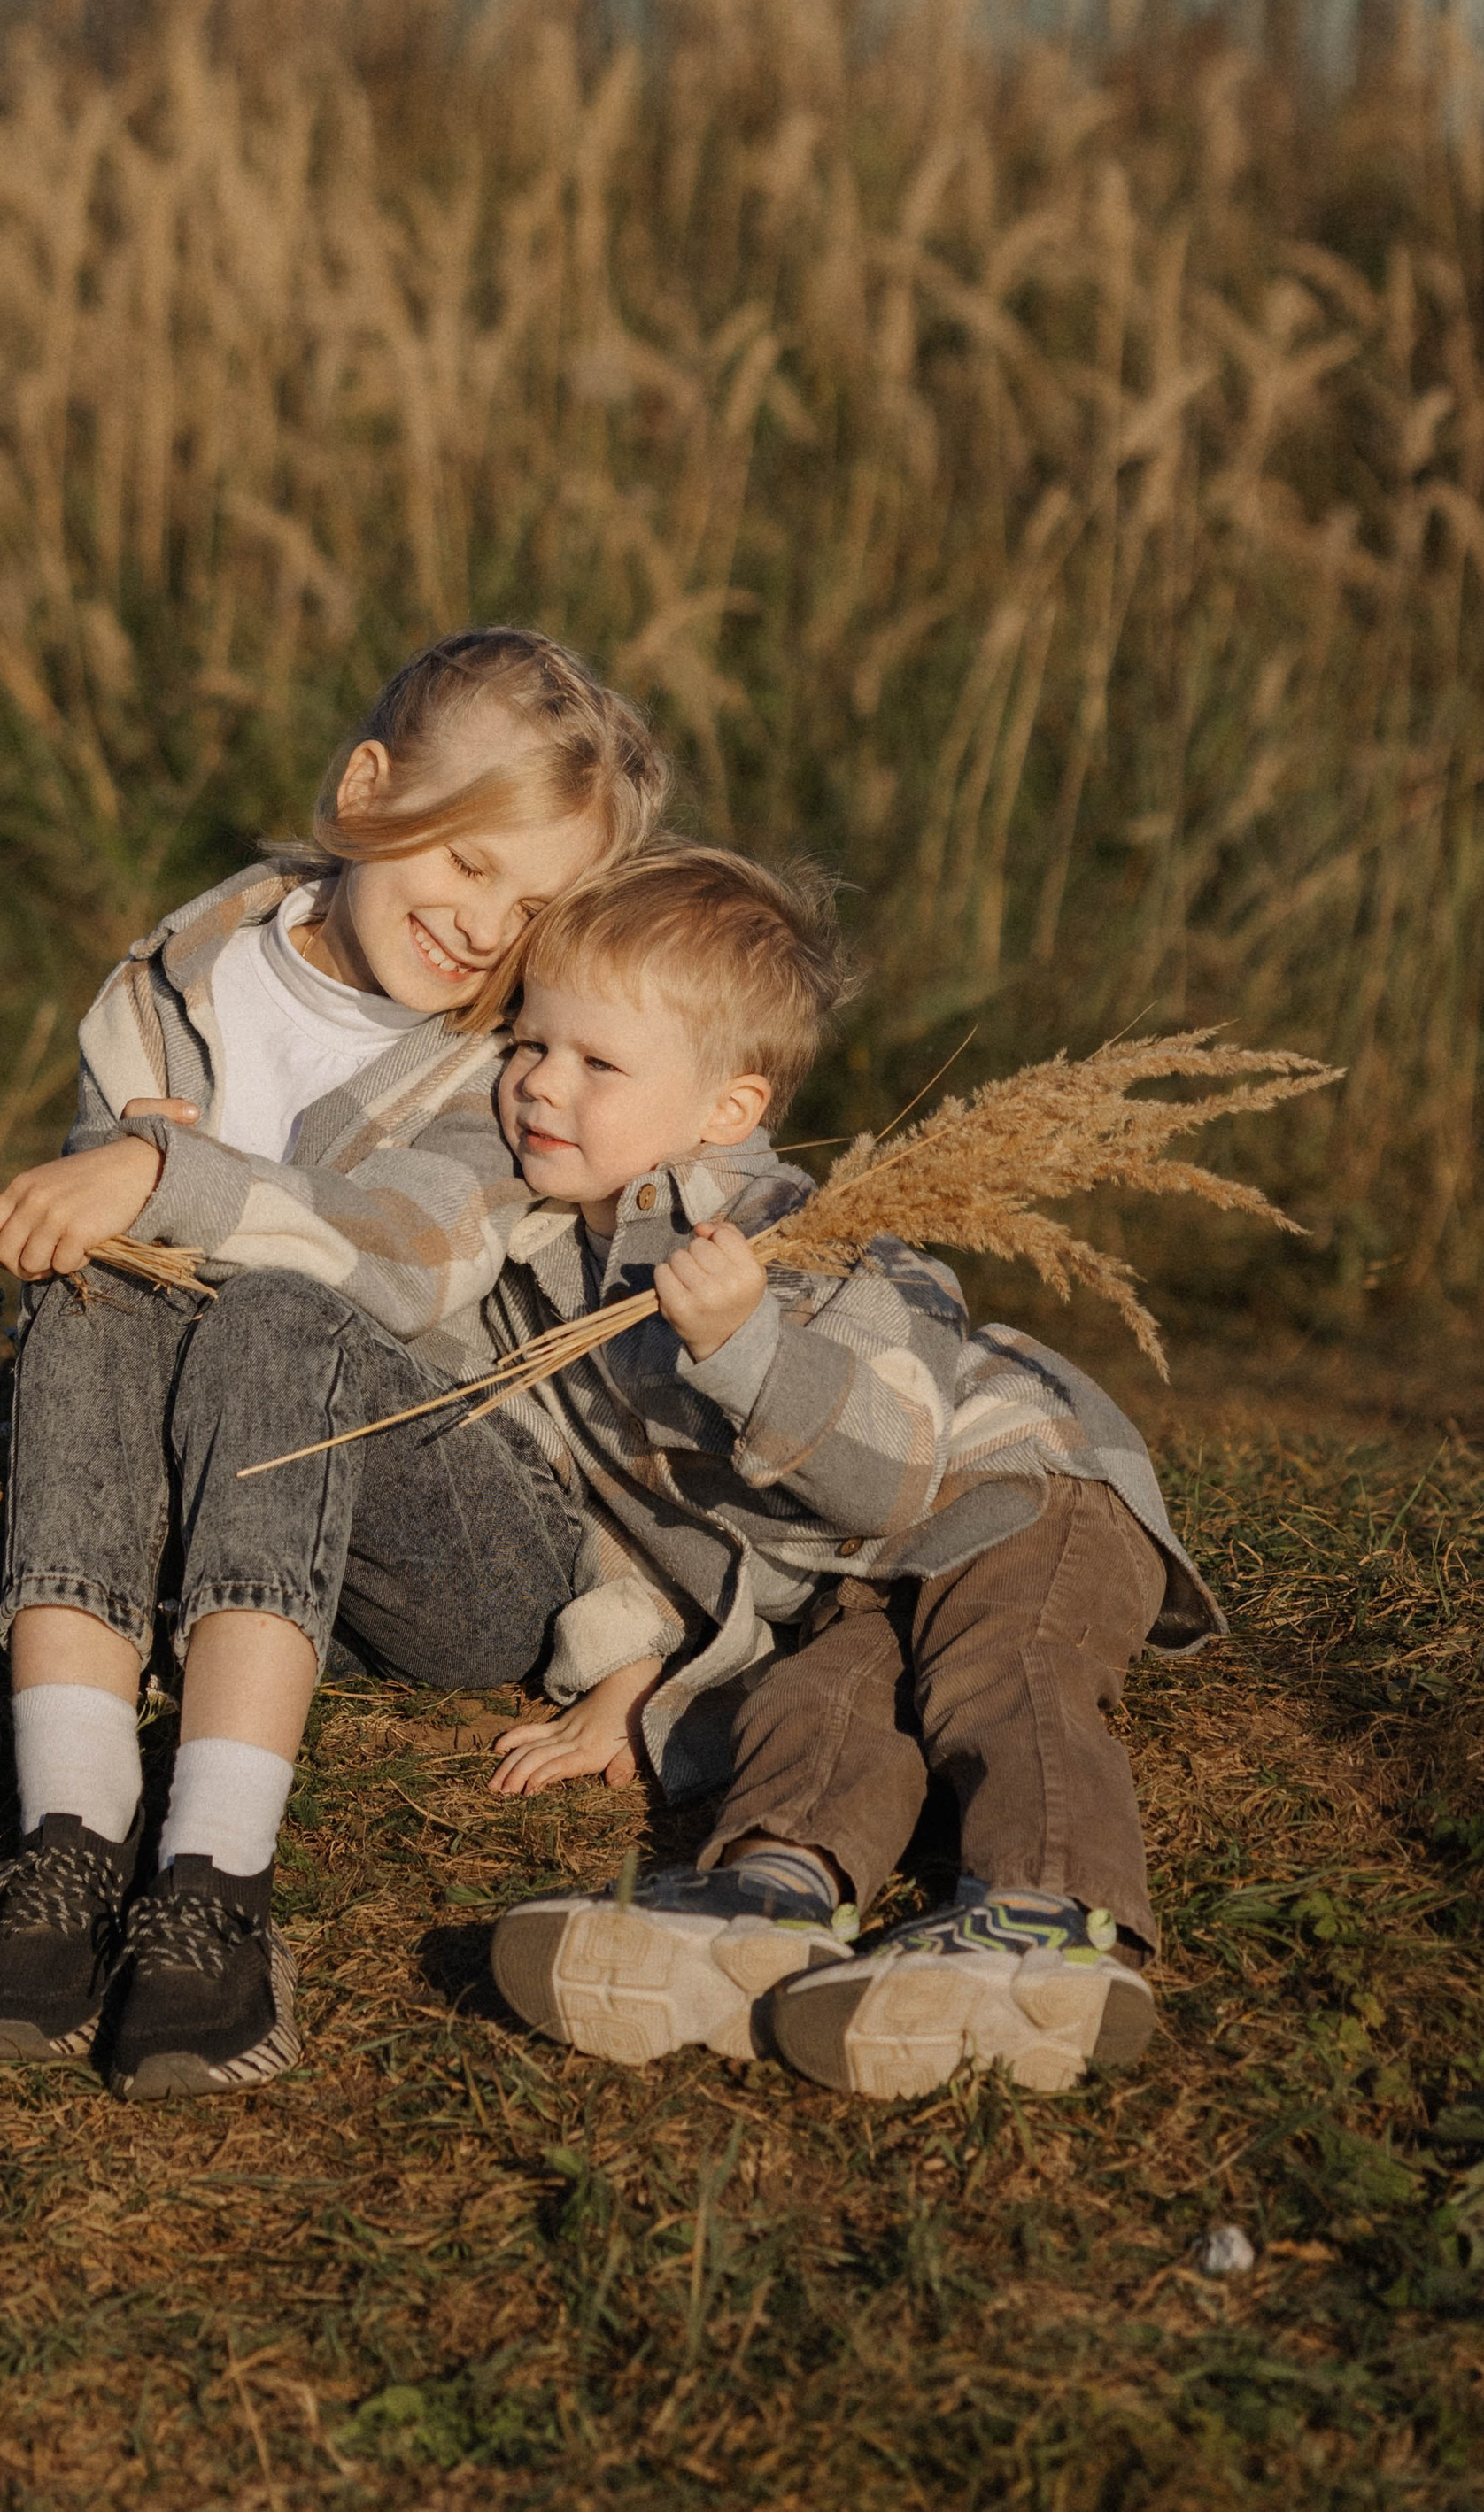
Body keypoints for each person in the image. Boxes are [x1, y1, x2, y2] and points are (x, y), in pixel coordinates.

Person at [0, 627, 669, 2098]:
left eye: (533, 906)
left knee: (281, 1308)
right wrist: (121, 1192)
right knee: (94, 1285)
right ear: (367, 791)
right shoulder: (169, 983)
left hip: (445, 1547)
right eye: (467, 860)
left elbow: (402, 1260)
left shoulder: (514, 1061)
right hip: (202, 1535)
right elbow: (111, 1258)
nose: (485, 926)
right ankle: (71, 1842)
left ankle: (215, 1880)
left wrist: (169, 1174)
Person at [475, 845, 1224, 2098]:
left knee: (1004, 1671)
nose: (541, 1082)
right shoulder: (544, 1270)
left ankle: (1049, 1918)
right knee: (814, 1701)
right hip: (853, 1581)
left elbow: (890, 1481)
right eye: (528, 1042)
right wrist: (630, 1659)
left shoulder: (803, 1240)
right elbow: (619, 1499)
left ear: (728, 1108)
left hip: (1017, 1491)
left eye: (598, 1062)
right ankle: (768, 1899)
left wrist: (747, 1349)